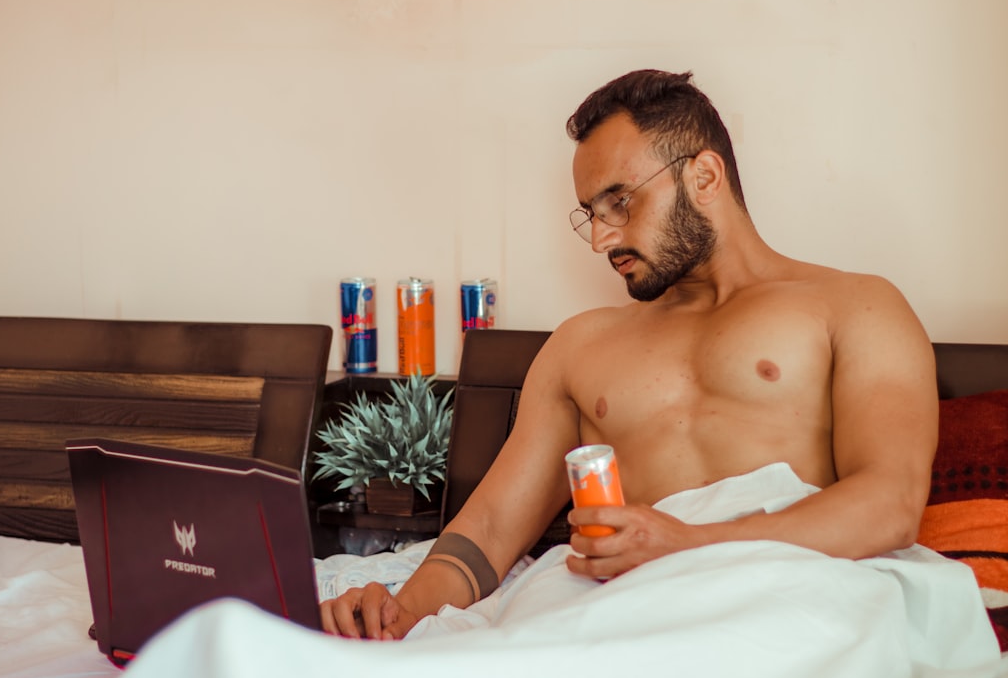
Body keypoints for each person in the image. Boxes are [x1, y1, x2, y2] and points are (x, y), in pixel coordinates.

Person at [320, 68, 939, 640]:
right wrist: (400, 612)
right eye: (590, 213)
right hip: (627, 610)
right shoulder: (581, 345)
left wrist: (686, 542)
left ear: (704, 177)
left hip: (788, 599)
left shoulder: (856, 307)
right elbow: (486, 533)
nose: (601, 238)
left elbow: (891, 504)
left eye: (620, 202)